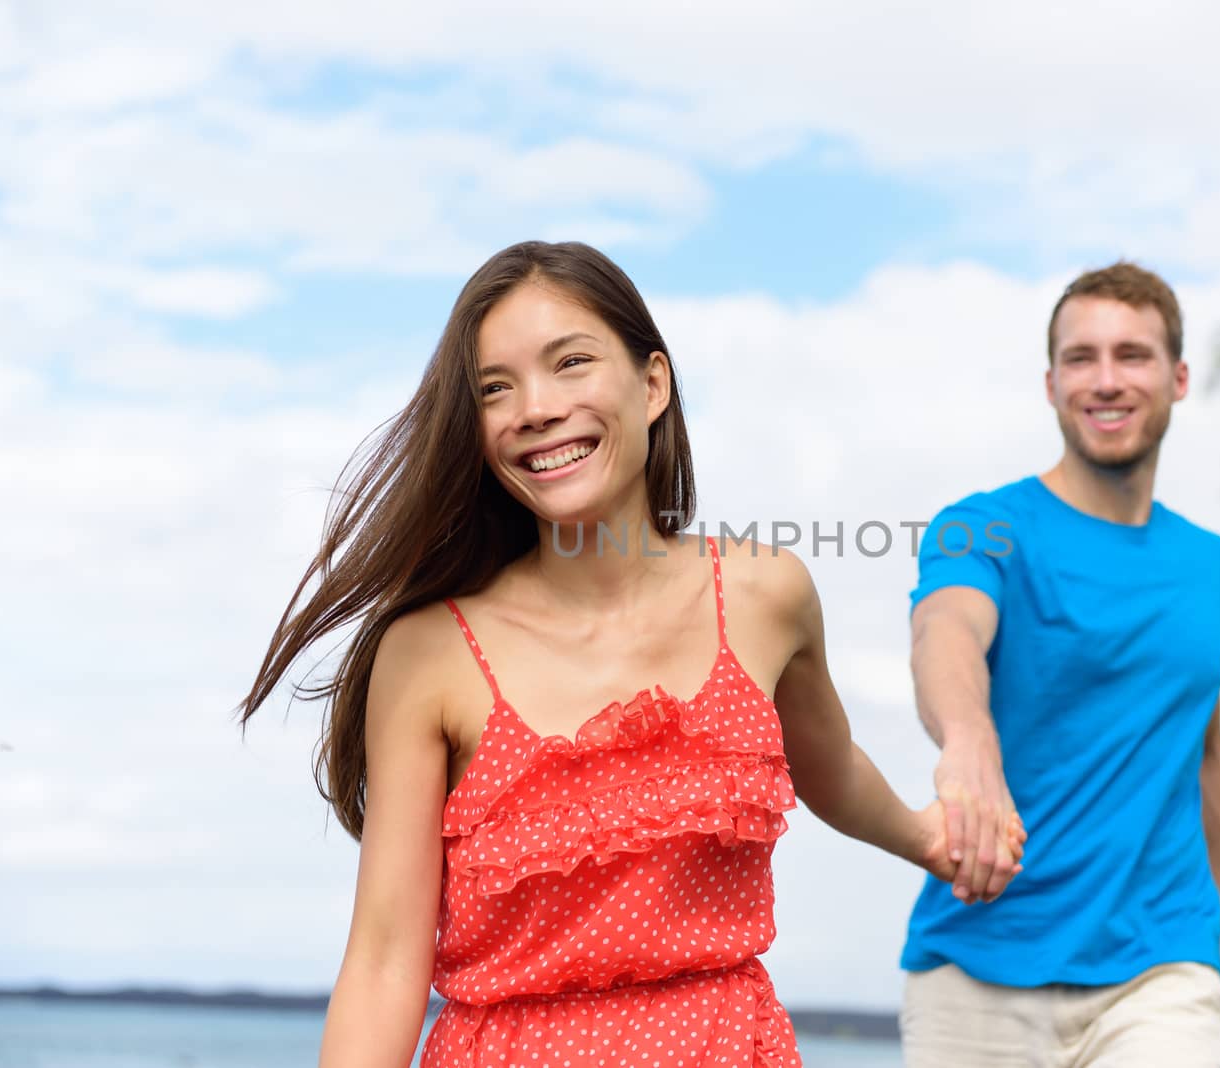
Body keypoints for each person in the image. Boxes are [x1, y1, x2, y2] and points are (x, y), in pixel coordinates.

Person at [238, 240, 1024, 1067]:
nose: (533, 408)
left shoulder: (765, 593)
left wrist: (926, 839)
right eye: (494, 389)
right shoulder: (429, 652)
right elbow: (386, 958)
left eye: (569, 363)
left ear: (653, 384)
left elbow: (827, 765)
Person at [898, 262, 1220, 1066]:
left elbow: (1201, 751)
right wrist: (969, 741)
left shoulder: (1212, 565)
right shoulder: (981, 526)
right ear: (1050, 382)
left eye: (1132, 356)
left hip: (1163, 968)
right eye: (1081, 358)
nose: (1106, 380)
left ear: (1178, 378)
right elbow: (946, 631)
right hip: (977, 963)